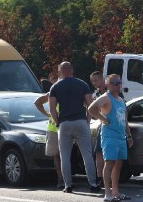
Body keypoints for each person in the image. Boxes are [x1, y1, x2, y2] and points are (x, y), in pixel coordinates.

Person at [48, 61, 100, 193]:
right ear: (72, 70)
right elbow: (90, 105)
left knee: (65, 156)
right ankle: (93, 184)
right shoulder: (82, 84)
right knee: (87, 154)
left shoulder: (55, 87)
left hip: (65, 123)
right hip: (80, 121)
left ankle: (68, 185)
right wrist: (87, 121)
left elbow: (52, 108)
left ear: (60, 71)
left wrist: (57, 122)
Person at [87, 74, 132, 202]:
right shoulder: (106, 98)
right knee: (109, 163)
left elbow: (124, 120)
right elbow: (91, 108)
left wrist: (128, 135)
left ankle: (116, 191)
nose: (118, 85)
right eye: (114, 83)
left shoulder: (121, 100)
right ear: (107, 85)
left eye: (119, 82)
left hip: (120, 136)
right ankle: (107, 193)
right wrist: (103, 119)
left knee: (119, 164)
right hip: (110, 136)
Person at [33, 93, 64, 187]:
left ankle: (64, 179)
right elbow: (37, 102)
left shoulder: (59, 90)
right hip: (55, 128)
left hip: (63, 128)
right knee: (57, 155)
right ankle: (61, 178)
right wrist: (47, 114)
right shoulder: (53, 92)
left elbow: (38, 102)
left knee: (62, 155)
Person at [89, 71, 107, 183]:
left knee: (107, 153)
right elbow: (91, 111)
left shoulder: (113, 93)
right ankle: (100, 177)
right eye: (92, 82)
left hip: (110, 126)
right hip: (101, 126)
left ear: (102, 79)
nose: (94, 83)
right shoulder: (95, 95)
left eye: (96, 81)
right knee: (99, 152)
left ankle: (107, 178)